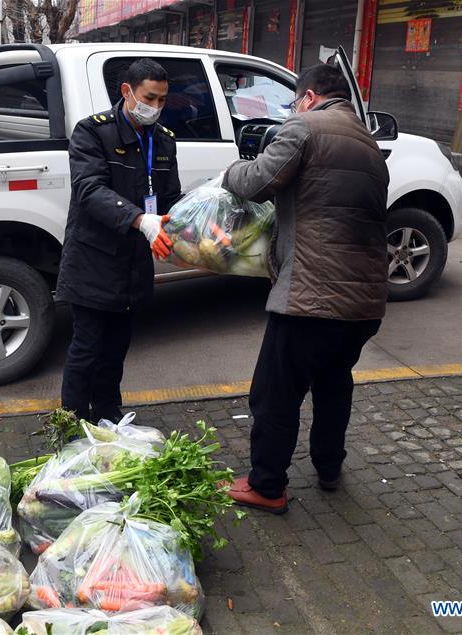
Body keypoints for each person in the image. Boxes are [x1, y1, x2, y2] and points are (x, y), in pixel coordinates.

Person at [221, 64, 390, 513]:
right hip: (365, 301)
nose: (294, 107)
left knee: (275, 392)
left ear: (309, 96)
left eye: (296, 100)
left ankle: (267, 485)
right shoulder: (368, 141)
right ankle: (329, 467)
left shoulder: (306, 126)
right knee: (334, 383)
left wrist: (231, 170)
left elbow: (257, 182)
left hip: (312, 297)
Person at [56, 58, 181, 423]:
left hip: (132, 267)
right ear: (127, 91)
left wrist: (199, 220)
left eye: (161, 101)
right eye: (149, 98)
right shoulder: (92, 132)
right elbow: (89, 190)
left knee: (115, 352)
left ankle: (108, 420)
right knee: (86, 350)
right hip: (93, 263)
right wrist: (140, 220)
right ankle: (72, 428)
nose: (155, 108)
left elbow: (170, 198)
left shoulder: (164, 141)